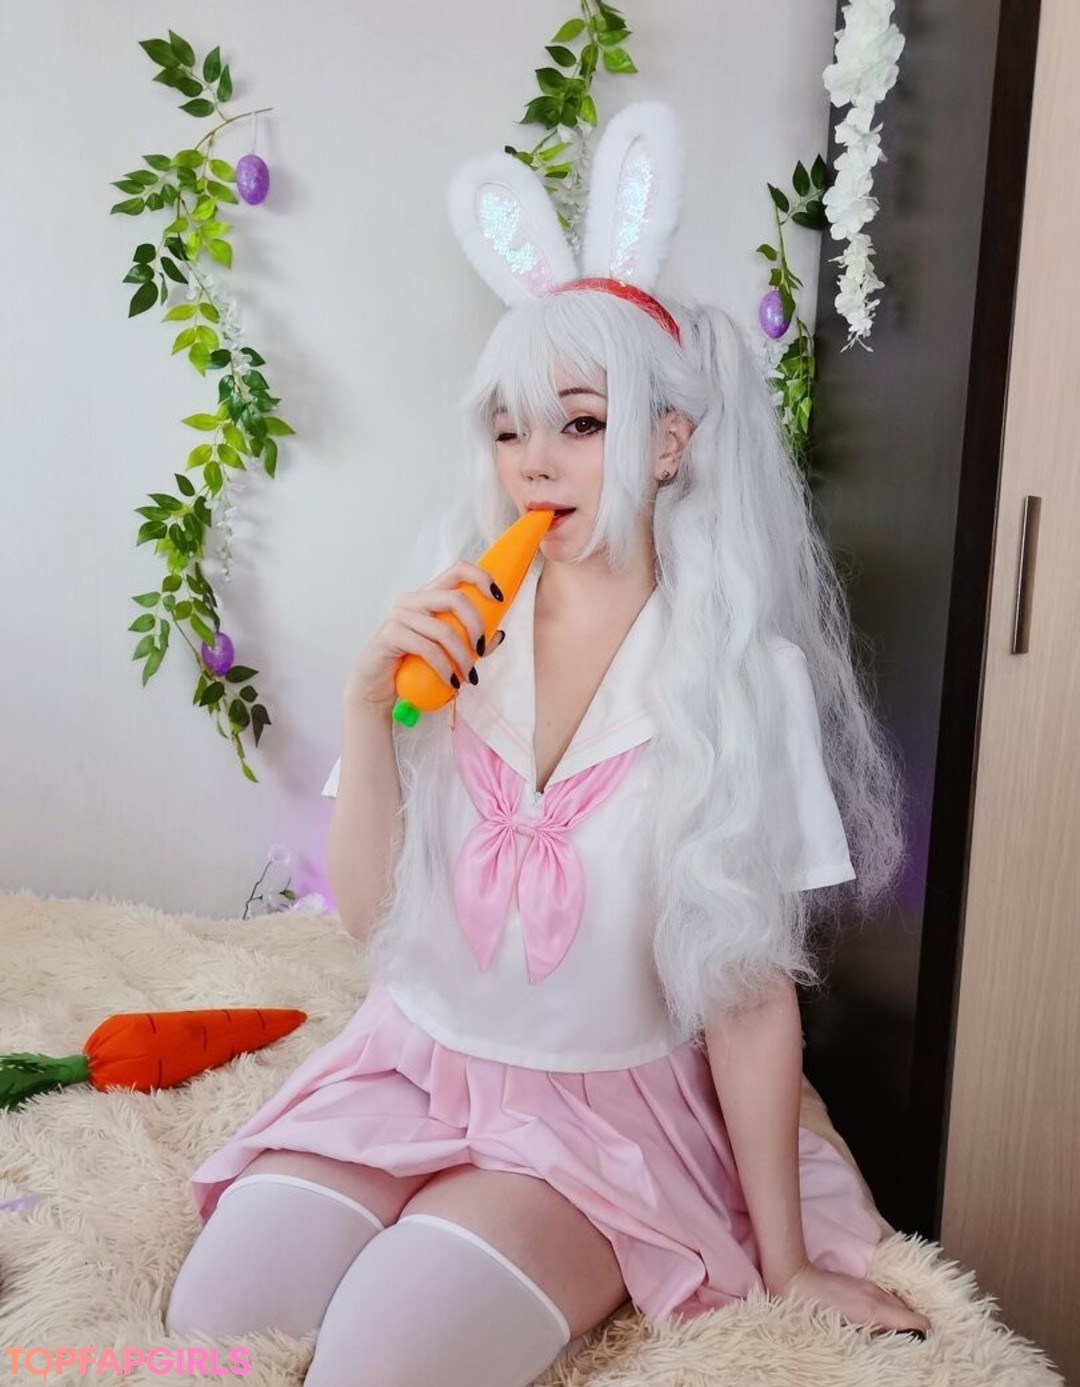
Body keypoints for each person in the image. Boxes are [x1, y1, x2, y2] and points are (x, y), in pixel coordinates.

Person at [166, 103, 930, 1384]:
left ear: (668, 444)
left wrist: (789, 1260)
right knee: (215, 1315)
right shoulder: (455, 619)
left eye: (579, 423)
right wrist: (365, 703)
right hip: (416, 1062)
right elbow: (369, 920)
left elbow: (749, 1004)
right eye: (511, 426)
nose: (536, 462)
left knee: (379, 1362)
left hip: (593, 1113)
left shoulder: (747, 680)